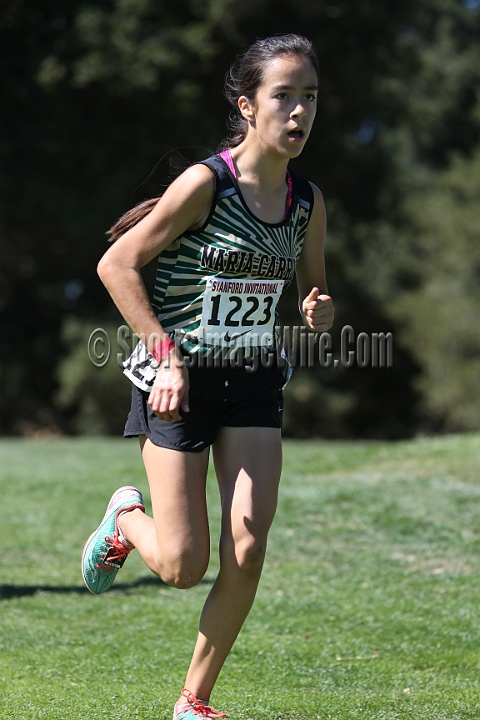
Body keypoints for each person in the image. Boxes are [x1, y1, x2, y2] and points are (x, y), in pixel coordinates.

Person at [81, 34, 334, 720]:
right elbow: (117, 266)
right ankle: (125, 518)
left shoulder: (307, 201)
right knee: (182, 566)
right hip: (180, 380)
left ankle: (194, 703)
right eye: (285, 96)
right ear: (248, 106)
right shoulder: (206, 184)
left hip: (252, 381)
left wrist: (318, 307)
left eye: (310, 96)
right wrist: (165, 357)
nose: (300, 111)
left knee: (248, 546)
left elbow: (313, 289)